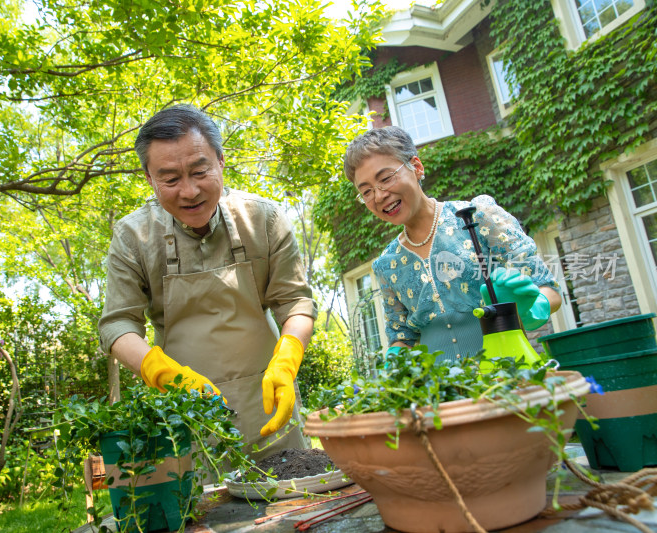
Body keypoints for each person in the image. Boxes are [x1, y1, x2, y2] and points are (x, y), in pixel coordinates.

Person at [98, 104, 317, 460]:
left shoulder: (264, 219)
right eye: (170, 179)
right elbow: (118, 324)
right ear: (149, 179)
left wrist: (289, 356)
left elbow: (295, 302)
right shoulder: (132, 236)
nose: (189, 191)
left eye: (200, 171)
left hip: (269, 403)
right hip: (185, 415)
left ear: (220, 161)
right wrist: (159, 370)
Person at [343, 126, 561, 362]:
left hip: (504, 379)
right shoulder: (387, 264)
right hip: (439, 393)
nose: (378, 196)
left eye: (385, 179)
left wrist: (533, 308)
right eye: (366, 192)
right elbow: (402, 335)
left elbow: (548, 288)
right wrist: (395, 359)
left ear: (416, 167)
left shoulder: (479, 217)